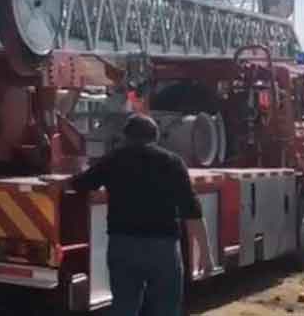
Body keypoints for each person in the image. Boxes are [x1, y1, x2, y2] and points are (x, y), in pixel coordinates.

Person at [48, 113, 214, 316]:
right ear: (156, 137)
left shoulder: (113, 160)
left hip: (123, 246)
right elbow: (192, 211)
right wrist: (205, 255)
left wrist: (56, 182)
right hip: (163, 248)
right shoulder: (173, 163)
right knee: (166, 308)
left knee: (124, 307)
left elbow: (81, 183)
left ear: (126, 137)